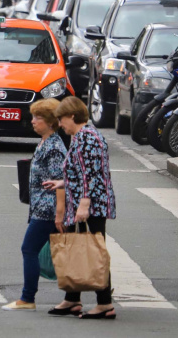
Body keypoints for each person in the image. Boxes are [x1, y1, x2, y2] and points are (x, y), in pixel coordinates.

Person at [43, 96, 117, 319]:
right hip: (83, 202)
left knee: (93, 251)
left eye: (62, 119)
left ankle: (104, 303)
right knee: (77, 248)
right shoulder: (79, 136)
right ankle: (72, 298)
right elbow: (79, 171)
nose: (60, 124)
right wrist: (62, 183)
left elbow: (91, 175)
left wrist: (84, 204)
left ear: (72, 116)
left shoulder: (87, 137)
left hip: (91, 205)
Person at [2, 99, 65, 311]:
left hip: (47, 209)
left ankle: (27, 298)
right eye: (33, 117)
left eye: (38, 118)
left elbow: (61, 183)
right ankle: (89, 289)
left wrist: (59, 214)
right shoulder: (44, 143)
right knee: (61, 253)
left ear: (50, 122)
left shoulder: (54, 147)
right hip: (41, 206)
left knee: (29, 249)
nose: (33, 121)